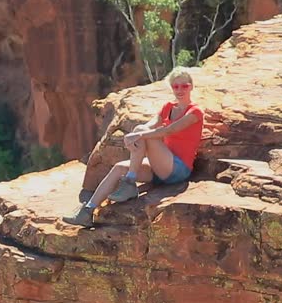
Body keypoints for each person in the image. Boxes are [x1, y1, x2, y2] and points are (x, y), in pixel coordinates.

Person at [63, 67, 204, 227]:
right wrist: (137, 134)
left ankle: (129, 183)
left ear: (191, 86)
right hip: (160, 166)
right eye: (176, 86)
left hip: (178, 169)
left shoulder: (195, 112)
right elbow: (151, 124)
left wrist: (138, 135)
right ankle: (87, 211)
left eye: (184, 86)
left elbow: (170, 130)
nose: (180, 90)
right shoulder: (168, 107)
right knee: (119, 167)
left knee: (142, 133)